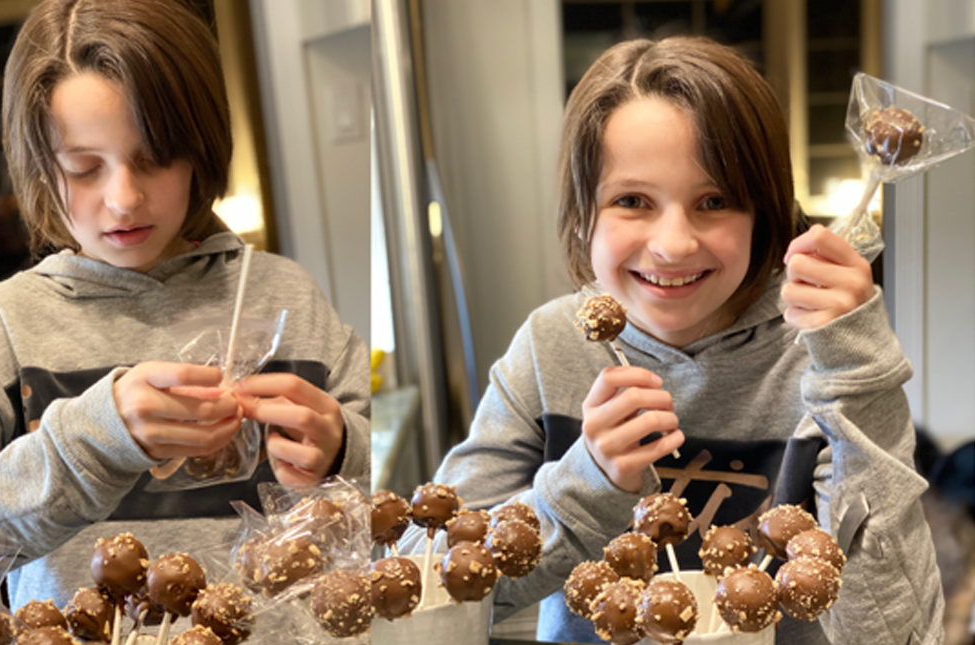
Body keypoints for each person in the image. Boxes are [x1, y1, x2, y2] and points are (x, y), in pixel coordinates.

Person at [399, 37, 943, 644]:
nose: (674, 244)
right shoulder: (552, 347)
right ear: (584, 214)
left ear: (764, 212)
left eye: (714, 201)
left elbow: (900, 633)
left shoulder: (824, 356)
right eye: (632, 200)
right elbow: (425, 587)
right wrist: (588, 480)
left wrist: (858, 379)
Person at [0, 0, 368, 611]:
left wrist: (343, 451)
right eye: (84, 169)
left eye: (155, 159)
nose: (124, 198)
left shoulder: (287, 296)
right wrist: (90, 443)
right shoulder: (8, 323)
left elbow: (389, 522)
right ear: (39, 170)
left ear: (200, 149)